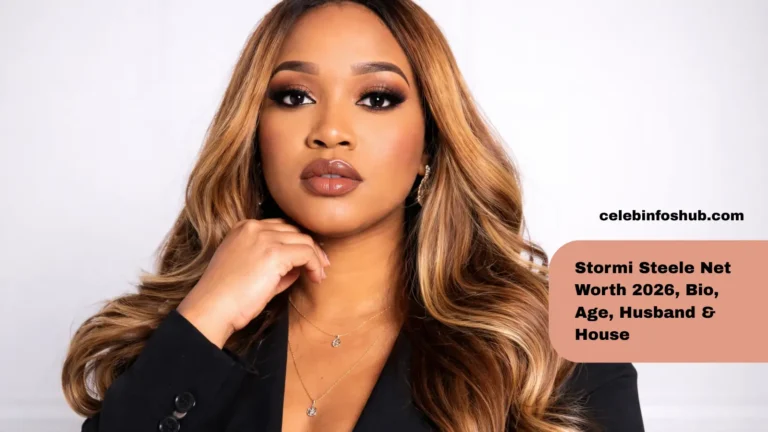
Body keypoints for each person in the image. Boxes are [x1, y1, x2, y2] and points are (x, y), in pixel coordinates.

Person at [61, 1, 645, 431]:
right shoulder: (179, 341)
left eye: (377, 98)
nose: (331, 131)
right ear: (254, 133)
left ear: (430, 147)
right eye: (294, 96)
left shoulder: (549, 347)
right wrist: (204, 317)